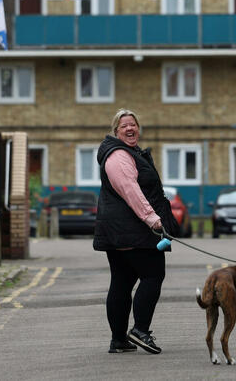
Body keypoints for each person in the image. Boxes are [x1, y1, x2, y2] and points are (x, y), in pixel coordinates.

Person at [93, 108, 179, 355]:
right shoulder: (118, 155)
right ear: (115, 131)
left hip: (121, 231)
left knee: (122, 281)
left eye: (134, 124)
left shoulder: (127, 153)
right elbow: (130, 190)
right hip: (132, 230)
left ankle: (119, 340)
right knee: (153, 275)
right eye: (124, 126)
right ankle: (140, 330)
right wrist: (152, 219)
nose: (130, 129)